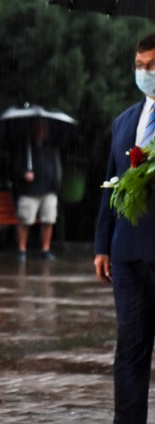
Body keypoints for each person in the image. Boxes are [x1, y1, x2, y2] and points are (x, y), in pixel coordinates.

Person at [95, 33, 155, 423]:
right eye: (139, 66)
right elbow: (110, 185)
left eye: (152, 66)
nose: (144, 72)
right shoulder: (124, 121)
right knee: (130, 351)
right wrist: (102, 245)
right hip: (128, 255)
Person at [12, 118, 62, 261]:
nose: (41, 132)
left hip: (49, 191)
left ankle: (46, 249)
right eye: (38, 129)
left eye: (44, 129)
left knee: (48, 220)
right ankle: (22, 250)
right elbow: (14, 169)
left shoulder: (51, 149)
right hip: (29, 192)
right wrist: (24, 174)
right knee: (25, 220)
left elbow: (56, 168)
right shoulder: (24, 149)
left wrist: (56, 184)